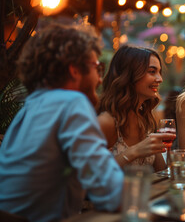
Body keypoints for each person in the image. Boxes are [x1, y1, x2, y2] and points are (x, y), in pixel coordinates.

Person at [0, 24, 124, 221]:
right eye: (97, 68)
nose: (100, 80)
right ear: (74, 70)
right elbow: (111, 192)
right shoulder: (71, 102)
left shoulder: (31, 107)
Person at [97, 45, 174, 172]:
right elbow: (93, 174)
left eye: (159, 72)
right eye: (152, 71)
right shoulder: (107, 122)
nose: (160, 79)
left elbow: (161, 172)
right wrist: (135, 151)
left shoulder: (144, 118)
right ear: (129, 75)